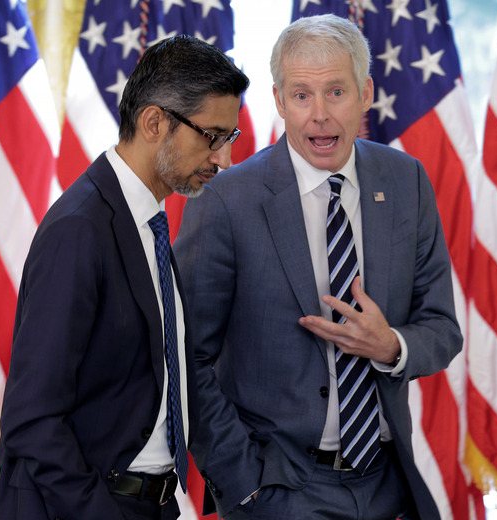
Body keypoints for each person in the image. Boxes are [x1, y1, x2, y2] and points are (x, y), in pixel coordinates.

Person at [173, 14, 462, 520]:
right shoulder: (226, 200)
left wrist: (390, 346)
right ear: (280, 101)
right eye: (302, 95)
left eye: (336, 92)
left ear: (366, 93)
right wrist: (244, 486)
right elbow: (187, 359)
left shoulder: (406, 180)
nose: (320, 115)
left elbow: (442, 328)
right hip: (279, 488)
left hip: (387, 482)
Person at [0, 35, 249, 520]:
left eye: (229, 139)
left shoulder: (150, 221)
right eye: (212, 136)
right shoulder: (80, 228)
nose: (223, 160)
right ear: (154, 122)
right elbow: (33, 418)